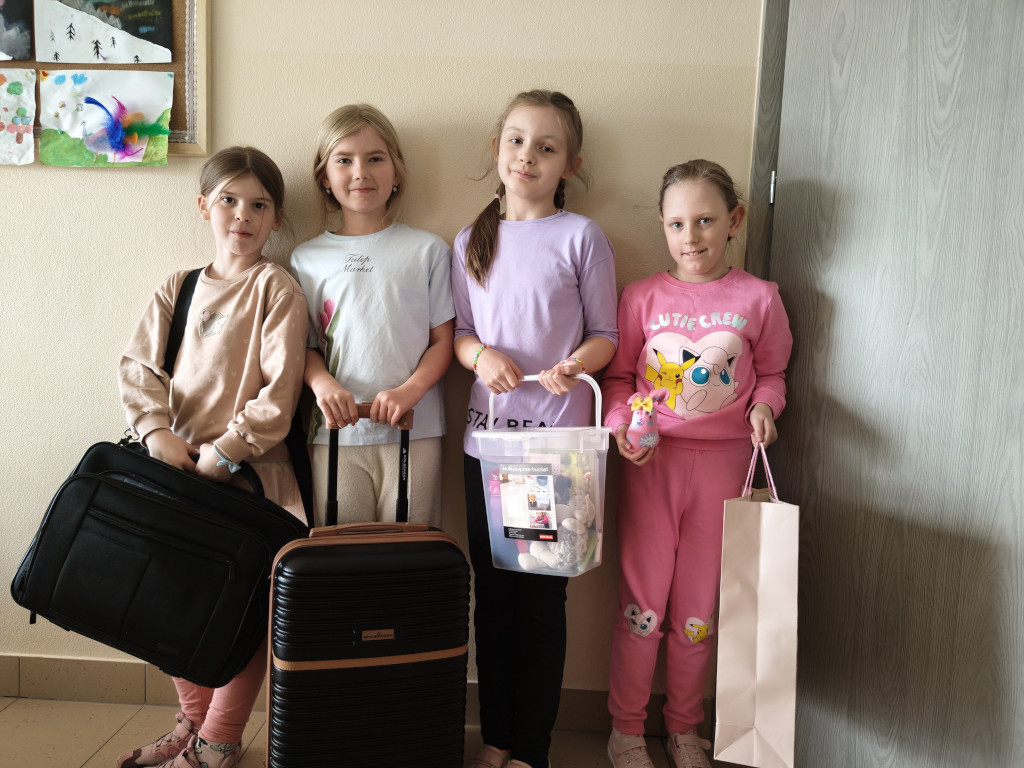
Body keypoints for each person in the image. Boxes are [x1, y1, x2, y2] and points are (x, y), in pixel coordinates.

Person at [116, 146, 309, 768]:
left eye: (259, 204)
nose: (242, 215)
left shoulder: (276, 288)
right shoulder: (178, 287)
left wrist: (226, 452)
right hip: (175, 473)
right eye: (229, 200)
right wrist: (155, 432)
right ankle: (194, 724)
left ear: (275, 218)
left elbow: (279, 394)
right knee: (169, 602)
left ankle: (220, 740)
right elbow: (139, 368)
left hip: (251, 479)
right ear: (204, 206)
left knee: (242, 615)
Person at [601, 160, 793, 768]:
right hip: (652, 465)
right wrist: (620, 426)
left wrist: (763, 408)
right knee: (642, 605)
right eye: (677, 224)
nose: (691, 237)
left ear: (734, 220)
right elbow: (619, 378)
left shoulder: (760, 298)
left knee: (699, 610)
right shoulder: (641, 296)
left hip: (727, 470)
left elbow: (774, 373)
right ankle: (626, 729)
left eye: (706, 220)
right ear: (663, 226)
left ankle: (686, 727)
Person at [452, 89, 619, 768]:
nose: (527, 156)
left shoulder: (582, 237)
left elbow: (606, 335)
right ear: (497, 147)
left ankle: (531, 750)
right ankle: (495, 740)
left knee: (541, 603)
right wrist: (481, 357)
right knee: (492, 600)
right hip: (486, 448)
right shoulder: (470, 240)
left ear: (568, 165)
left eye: (546, 148)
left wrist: (576, 364)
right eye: (517, 141)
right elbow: (463, 333)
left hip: (552, 452)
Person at [290, 104, 454, 526]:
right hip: (334, 434)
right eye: (344, 160)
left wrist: (410, 391)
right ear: (325, 177)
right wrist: (323, 384)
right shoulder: (306, 258)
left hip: (414, 430)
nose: (360, 172)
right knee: (342, 554)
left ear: (396, 173)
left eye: (375, 159)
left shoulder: (428, 250)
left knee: (411, 553)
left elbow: (443, 341)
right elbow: (304, 346)